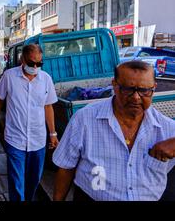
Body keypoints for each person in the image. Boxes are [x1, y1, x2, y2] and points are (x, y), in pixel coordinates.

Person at [53, 60, 175, 201]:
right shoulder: (84, 119)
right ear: (115, 86)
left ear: (154, 88)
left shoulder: (168, 128)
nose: (136, 97)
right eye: (128, 90)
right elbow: (66, 167)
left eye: (144, 91)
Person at [0, 44, 59, 201]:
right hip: (15, 139)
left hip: (38, 140)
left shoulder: (46, 79)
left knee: (33, 181)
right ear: (22, 59)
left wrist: (53, 133)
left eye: (39, 64)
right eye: (31, 63)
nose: (35, 67)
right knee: (16, 183)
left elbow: (48, 106)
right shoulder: (9, 76)